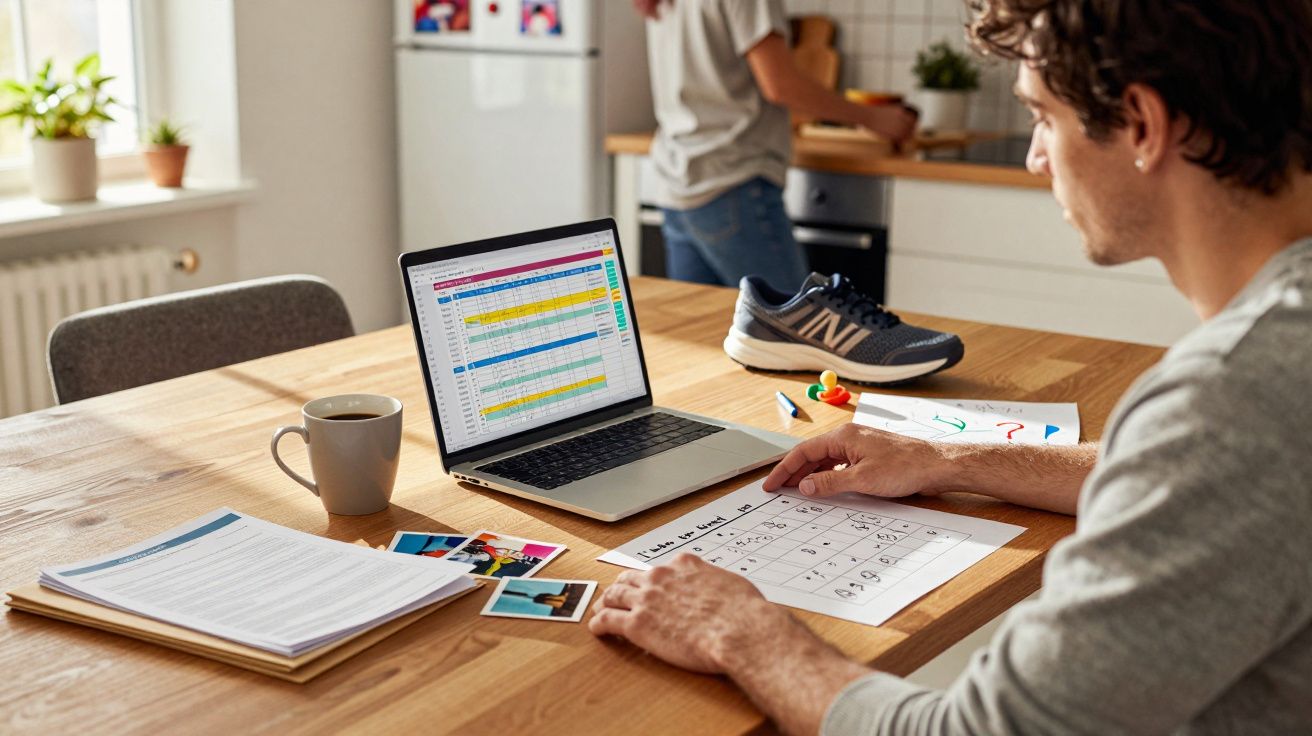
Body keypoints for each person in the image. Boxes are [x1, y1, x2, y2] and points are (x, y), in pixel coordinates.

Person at [591, 1, 1312, 733]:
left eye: (1041, 117)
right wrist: (943, 457)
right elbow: (1176, 476)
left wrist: (741, 630)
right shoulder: (1268, 371)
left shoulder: (1234, 399)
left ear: (1143, 125)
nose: (1036, 157)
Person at [633, 0, 917, 291]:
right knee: (793, 326)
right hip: (732, 179)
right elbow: (779, 84)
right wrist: (872, 118)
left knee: (700, 330)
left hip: (677, 179)